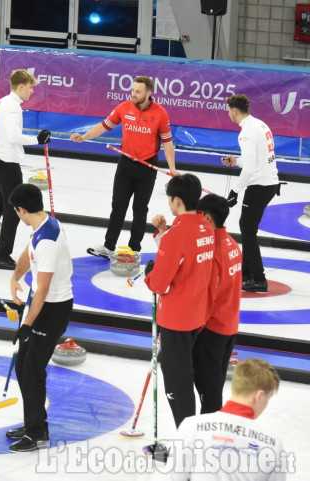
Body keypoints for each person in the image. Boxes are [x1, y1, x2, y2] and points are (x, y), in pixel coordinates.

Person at [71, 76, 178, 259]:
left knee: (140, 208)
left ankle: (134, 249)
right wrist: (84, 137)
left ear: (148, 93)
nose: (134, 94)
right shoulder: (124, 108)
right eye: (133, 90)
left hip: (147, 165)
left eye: (138, 91)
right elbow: (104, 126)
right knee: (118, 205)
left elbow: (168, 143)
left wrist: (172, 169)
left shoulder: (160, 114)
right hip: (126, 164)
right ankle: (108, 246)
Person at [7, 183, 74, 452]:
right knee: (24, 366)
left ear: (22, 210)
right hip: (42, 305)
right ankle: (32, 421)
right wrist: (16, 275)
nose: (17, 216)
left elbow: (43, 289)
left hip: (51, 309)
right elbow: (28, 251)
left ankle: (38, 433)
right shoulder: (43, 224)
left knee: (32, 369)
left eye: (16, 212)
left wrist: (27, 324)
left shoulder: (47, 240)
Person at [144, 174, 214, 428]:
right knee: (185, 375)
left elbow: (159, 283)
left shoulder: (178, 234)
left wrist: (149, 275)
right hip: (197, 313)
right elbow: (187, 261)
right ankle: (193, 436)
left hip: (176, 318)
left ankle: (188, 442)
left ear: (176, 200)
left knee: (177, 382)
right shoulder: (205, 226)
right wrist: (163, 233)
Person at [0, 68, 51, 270]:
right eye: (30, 88)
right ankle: (3, 255)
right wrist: (38, 139)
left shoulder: (3, 101)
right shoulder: (14, 107)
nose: (31, 92)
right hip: (7, 164)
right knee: (12, 210)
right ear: (21, 86)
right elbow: (14, 136)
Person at [173, 359, 288, 480]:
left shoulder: (191, 426)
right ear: (258, 396)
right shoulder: (272, 443)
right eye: (267, 398)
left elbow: (176, 477)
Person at [222, 94, 280, 293]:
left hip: (259, 185)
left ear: (235, 111)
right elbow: (256, 159)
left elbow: (250, 169)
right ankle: (246, 273)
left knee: (247, 230)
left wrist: (234, 191)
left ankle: (258, 279)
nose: (228, 113)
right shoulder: (260, 124)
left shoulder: (246, 132)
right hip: (269, 182)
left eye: (228, 110)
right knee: (247, 227)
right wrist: (236, 161)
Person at [193, 194, 242, 414]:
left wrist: (194, 330)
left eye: (198, 216)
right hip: (229, 326)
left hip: (211, 330)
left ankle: (207, 443)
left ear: (208, 218)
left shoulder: (213, 251)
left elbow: (207, 295)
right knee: (215, 388)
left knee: (209, 396)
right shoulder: (232, 243)